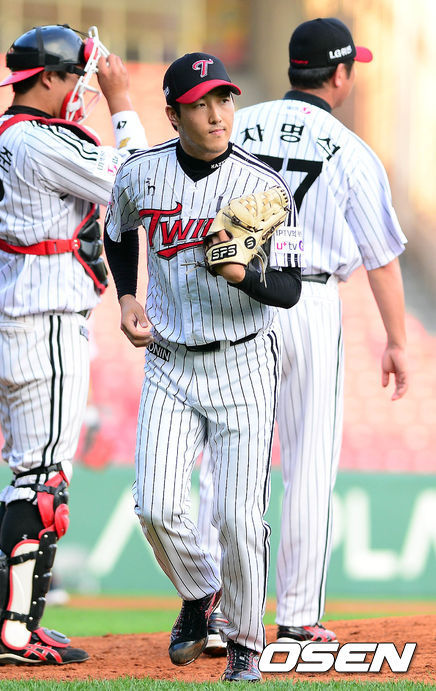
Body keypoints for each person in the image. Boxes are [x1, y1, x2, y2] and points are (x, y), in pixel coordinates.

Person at [198, 16, 408, 649]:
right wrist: (397, 341)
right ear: (339, 74)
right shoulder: (351, 149)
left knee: (228, 461)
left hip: (239, 294)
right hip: (310, 300)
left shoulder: (236, 126)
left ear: (294, 67)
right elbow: (381, 258)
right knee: (309, 463)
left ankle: (213, 612)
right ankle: (295, 615)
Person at [103, 51, 302, 682]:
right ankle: (201, 591)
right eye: (200, 104)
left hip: (243, 361)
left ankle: (245, 643)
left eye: (224, 99)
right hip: (168, 360)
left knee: (239, 518)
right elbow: (117, 233)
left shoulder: (266, 186)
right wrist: (126, 296)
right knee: (155, 505)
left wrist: (245, 274)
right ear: (173, 114)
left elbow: (291, 288)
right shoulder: (141, 174)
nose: (217, 115)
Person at [0, 23, 147, 665]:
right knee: (44, 483)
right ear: (46, 77)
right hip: (45, 322)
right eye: (73, 77)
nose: (79, 89)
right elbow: (137, 185)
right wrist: (121, 101)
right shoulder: (42, 141)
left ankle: (13, 620)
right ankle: (16, 631)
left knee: (27, 476)